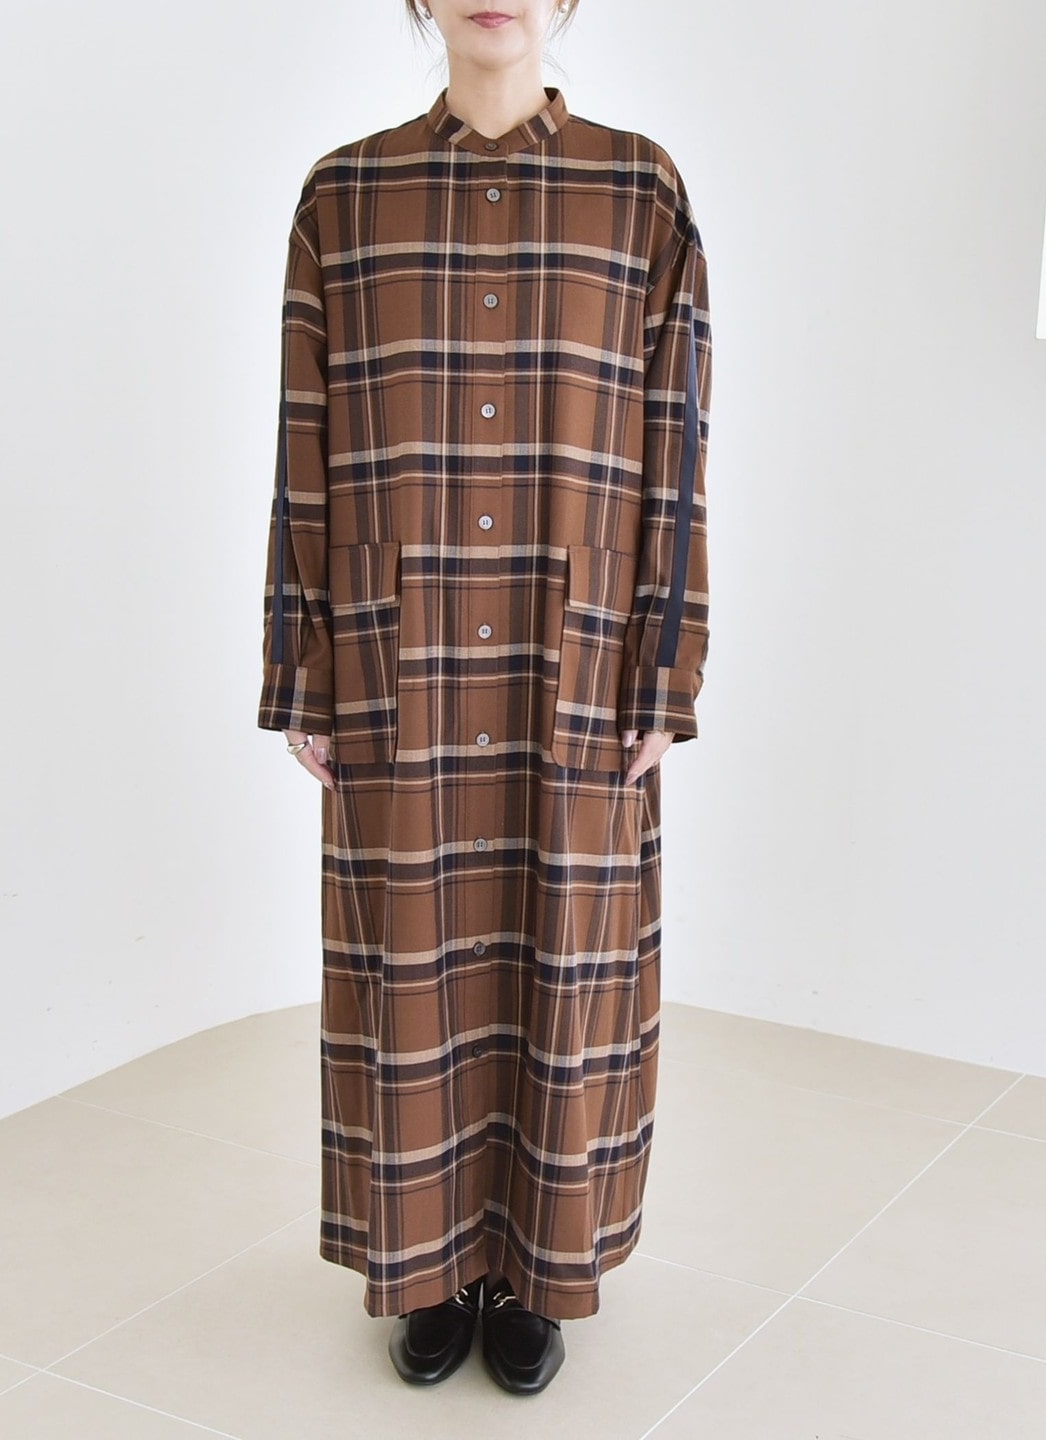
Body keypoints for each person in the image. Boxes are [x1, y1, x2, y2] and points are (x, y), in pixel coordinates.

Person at [257, 0, 712, 1397]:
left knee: (559, 962)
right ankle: (434, 1262)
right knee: (415, 966)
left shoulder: (640, 192)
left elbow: (678, 443)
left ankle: (532, 1266)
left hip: (573, 655)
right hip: (401, 653)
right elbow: (303, 442)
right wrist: (301, 661)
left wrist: (668, 663)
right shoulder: (346, 196)